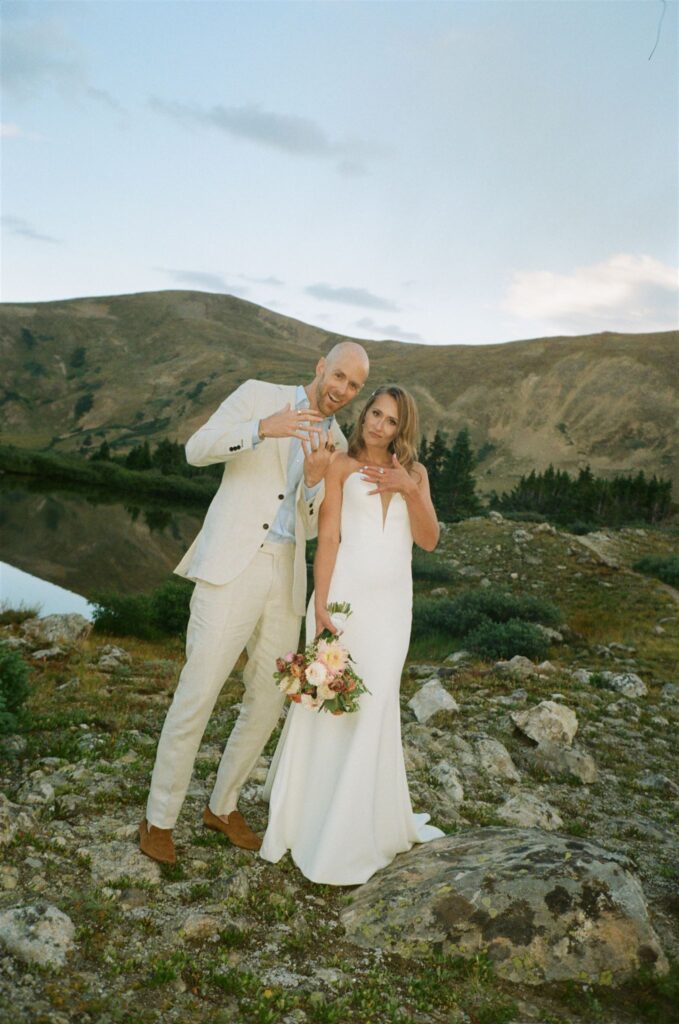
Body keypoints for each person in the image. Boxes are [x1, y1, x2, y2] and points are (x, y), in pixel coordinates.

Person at [139, 342, 370, 865]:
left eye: (354, 386)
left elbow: (315, 523)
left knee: (266, 702)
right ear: (320, 368)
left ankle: (223, 807)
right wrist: (263, 428)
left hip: (286, 576)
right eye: (339, 376)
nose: (342, 390)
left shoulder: (334, 442)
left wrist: (313, 481)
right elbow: (196, 449)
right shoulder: (258, 396)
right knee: (197, 693)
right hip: (232, 568)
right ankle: (159, 819)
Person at [260, 385, 445, 885]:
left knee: (376, 703)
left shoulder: (417, 475)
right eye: (374, 414)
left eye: (390, 420)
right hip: (344, 601)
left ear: (401, 429)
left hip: (392, 609)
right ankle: (316, 822)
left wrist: (408, 487)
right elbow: (331, 538)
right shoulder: (340, 465)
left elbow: (428, 540)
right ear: (365, 415)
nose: (377, 425)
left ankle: (362, 822)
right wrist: (320, 605)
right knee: (331, 705)